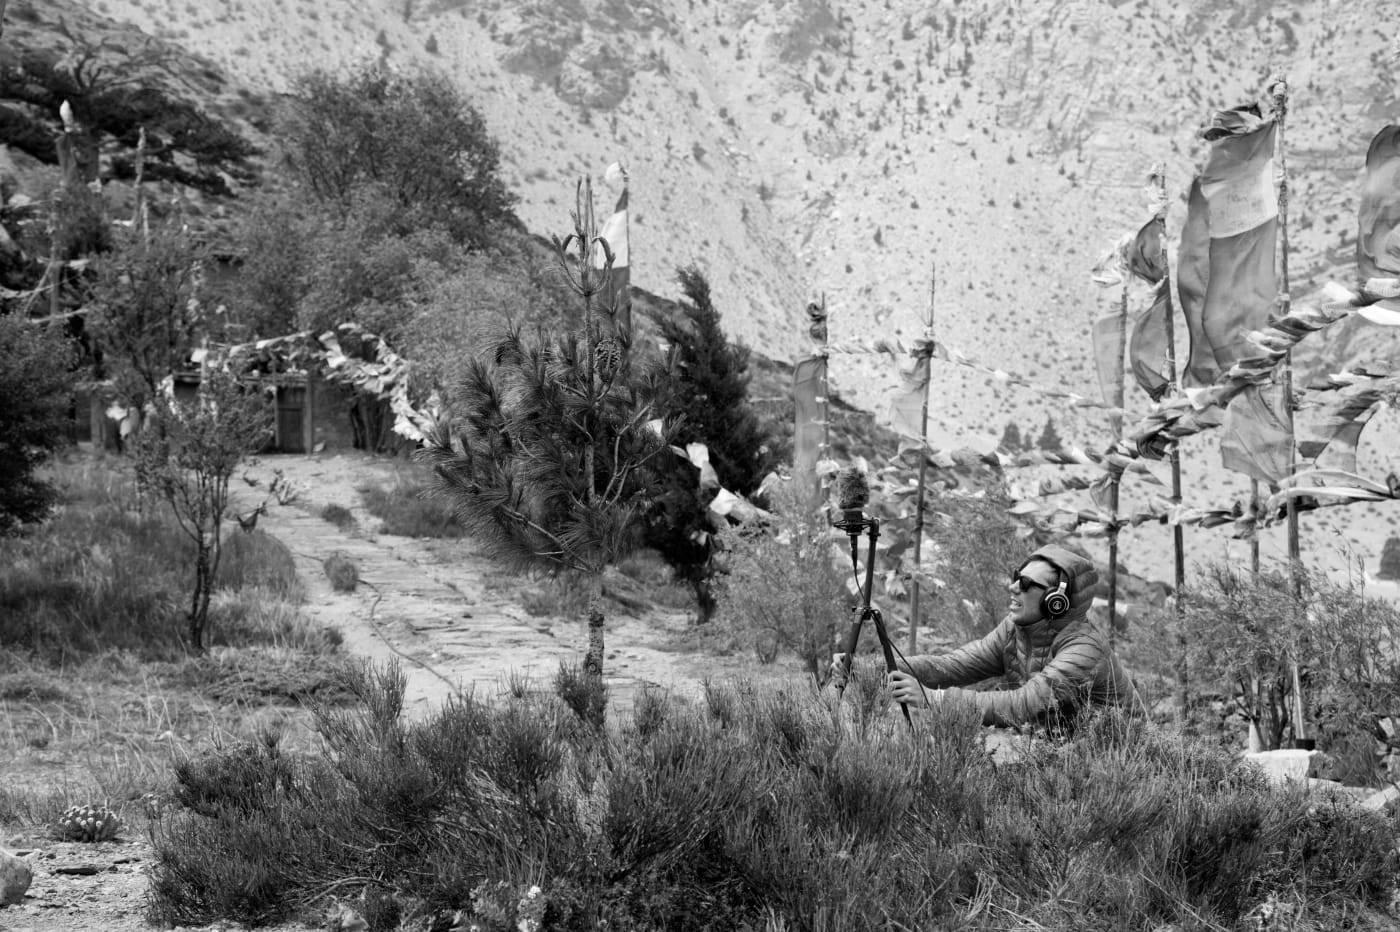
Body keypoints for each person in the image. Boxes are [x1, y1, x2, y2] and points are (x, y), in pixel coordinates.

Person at [871, 544, 1138, 730]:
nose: (1012, 587)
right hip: (1067, 760)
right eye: (1015, 577)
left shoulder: (1084, 650)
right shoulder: (1014, 629)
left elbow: (1021, 706)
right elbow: (952, 665)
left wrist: (935, 698)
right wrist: (869, 668)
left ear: (1056, 601)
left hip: (1122, 774)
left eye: (1025, 584)